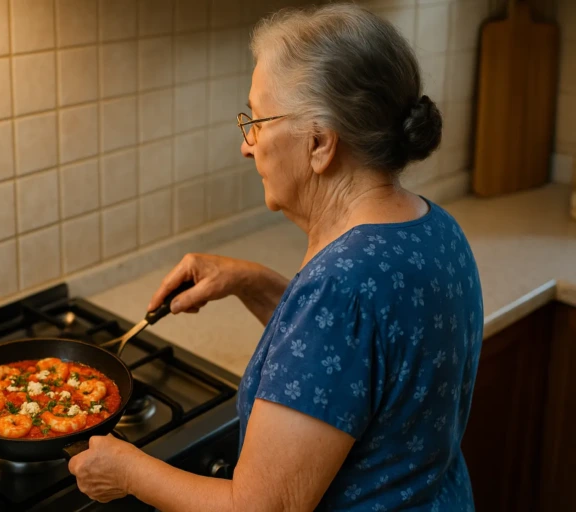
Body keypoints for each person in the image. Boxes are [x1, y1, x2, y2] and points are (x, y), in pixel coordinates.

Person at [68, 4, 483, 511]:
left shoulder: (340, 289)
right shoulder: (435, 228)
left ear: (320, 143)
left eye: (257, 120)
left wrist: (127, 471)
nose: (247, 146)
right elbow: (353, 366)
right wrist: (253, 282)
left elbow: (265, 507)